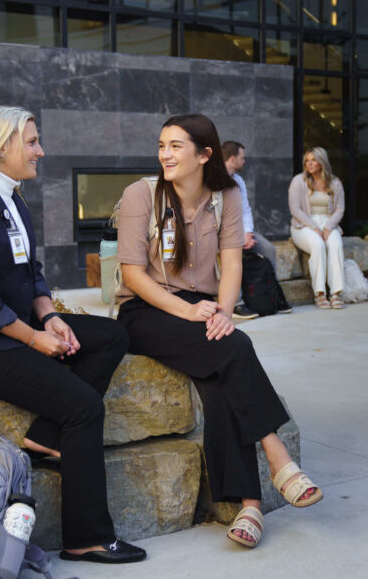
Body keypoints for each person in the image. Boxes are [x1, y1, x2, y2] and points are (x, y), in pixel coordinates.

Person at [0, 106, 146, 565]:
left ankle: (47, 437)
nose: (40, 151)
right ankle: (86, 537)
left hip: (16, 328)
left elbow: (31, 274)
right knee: (83, 407)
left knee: (110, 335)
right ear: (1, 145)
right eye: (31, 142)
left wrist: (50, 317)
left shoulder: (13, 199)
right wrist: (33, 339)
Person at [114, 113, 322, 549]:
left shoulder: (225, 195)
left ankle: (249, 505)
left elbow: (232, 263)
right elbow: (132, 275)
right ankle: (276, 455)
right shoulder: (141, 195)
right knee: (236, 348)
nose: (164, 155)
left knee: (219, 379)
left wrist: (223, 312)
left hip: (201, 304)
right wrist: (190, 314)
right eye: (161, 145)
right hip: (146, 309)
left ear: (203, 154)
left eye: (175, 146)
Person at [221, 140, 289, 319]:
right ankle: (237, 303)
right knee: (233, 251)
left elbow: (246, 209)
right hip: (219, 232)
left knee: (267, 249)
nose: (244, 162)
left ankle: (271, 296)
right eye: (242, 158)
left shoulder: (239, 181)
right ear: (233, 158)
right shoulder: (213, 178)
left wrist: (248, 233)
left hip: (239, 229)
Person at [288, 147, 346, 309]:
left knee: (335, 244)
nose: (309, 163)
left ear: (322, 162)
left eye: (313, 160)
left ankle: (336, 293)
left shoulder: (335, 183)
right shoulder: (298, 181)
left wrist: (328, 228)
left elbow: (340, 209)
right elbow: (295, 209)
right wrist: (314, 228)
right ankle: (319, 293)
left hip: (328, 222)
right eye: (307, 160)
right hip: (303, 225)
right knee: (318, 245)